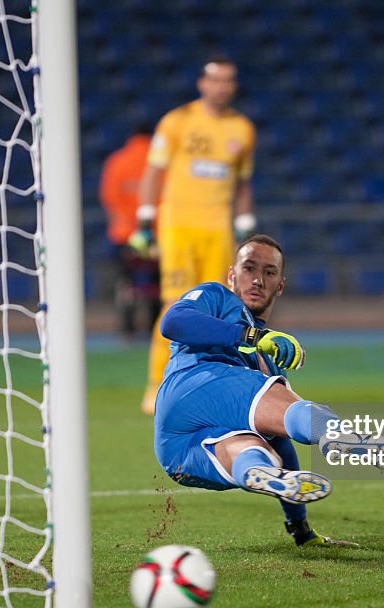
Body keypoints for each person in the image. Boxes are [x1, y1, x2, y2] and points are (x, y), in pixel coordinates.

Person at [153, 235, 384, 547]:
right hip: (192, 384)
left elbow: (285, 447)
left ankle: (259, 472)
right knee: (288, 402)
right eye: (249, 268)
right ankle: (340, 433)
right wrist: (248, 334)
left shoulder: (267, 367)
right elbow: (173, 321)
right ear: (231, 274)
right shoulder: (217, 297)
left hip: (178, 454)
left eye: (269, 272)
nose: (258, 279)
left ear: (281, 285)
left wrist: (300, 527)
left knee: (255, 449)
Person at [131, 56, 258, 415]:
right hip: (178, 224)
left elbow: (243, 183)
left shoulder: (243, 129)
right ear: (202, 83)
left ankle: (214, 382)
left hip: (218, 226)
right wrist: (145, 220)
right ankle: (158, 384)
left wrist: (245, 224)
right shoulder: (177, 122)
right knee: (175, 304)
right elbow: (154, 173)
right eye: (215, 80)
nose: (221, 87)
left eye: (228, 81)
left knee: (221, 308)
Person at [99, 123, 160, 339]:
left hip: (124, 235)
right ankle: (156, 327)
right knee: (159, 283)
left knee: (125, 283)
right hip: (155, 234)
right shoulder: (159, 162)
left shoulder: (116, 161)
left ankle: (127, 328)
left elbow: (109, 199)